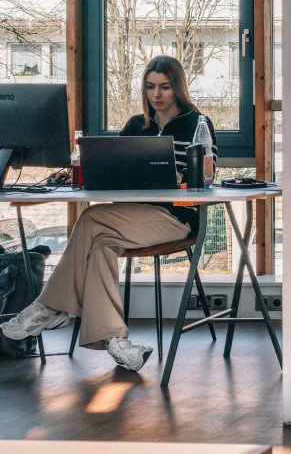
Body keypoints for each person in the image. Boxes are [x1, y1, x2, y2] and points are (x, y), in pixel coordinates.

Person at [0, 56, 217, 371]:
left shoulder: (197, 123)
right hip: (128, 218)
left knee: (90, 218)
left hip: (174, 220)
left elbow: (208, 176)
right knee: (100, 247)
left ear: (177, 89)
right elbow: (116, 168)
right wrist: (81, 171)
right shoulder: (135, 125)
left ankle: (50, 306)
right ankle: (117, 342)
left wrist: (183, 179)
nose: (157, 94)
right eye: (151, 86)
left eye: (165, 87)